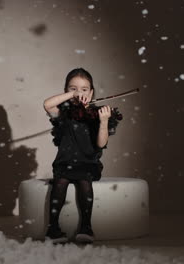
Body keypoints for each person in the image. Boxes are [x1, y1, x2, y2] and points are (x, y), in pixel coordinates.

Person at [42, 68, 119, 244]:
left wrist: (104, 121)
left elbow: (100, 144)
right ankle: (52, 228)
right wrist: (71, 96)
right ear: (66, 91)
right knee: (60, 183)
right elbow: (47, 104)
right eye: (73, 88)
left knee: (85, 183)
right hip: (65, 161)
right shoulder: (64, 113)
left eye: (84, 89)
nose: (79, 92)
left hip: (87, 162)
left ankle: (86, 226)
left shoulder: (96, 114)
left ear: (91, 93)